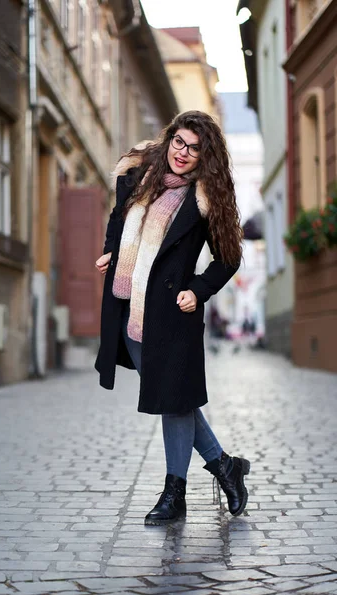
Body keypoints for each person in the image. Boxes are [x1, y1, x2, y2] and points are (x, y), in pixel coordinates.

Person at [95, 111, 250, 526]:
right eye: (179, 142)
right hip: (128, 306)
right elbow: (118, 217)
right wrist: (113, 249)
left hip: (170, 312)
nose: (183, 153)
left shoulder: (205, 196)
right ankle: (224, 466)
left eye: (194, 148)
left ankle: (174, 495)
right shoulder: (139, 176)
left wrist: (197, 291)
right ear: (169, 140)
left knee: (173, 400)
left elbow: (230, 258)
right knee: (173, 397)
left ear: (205, 156)